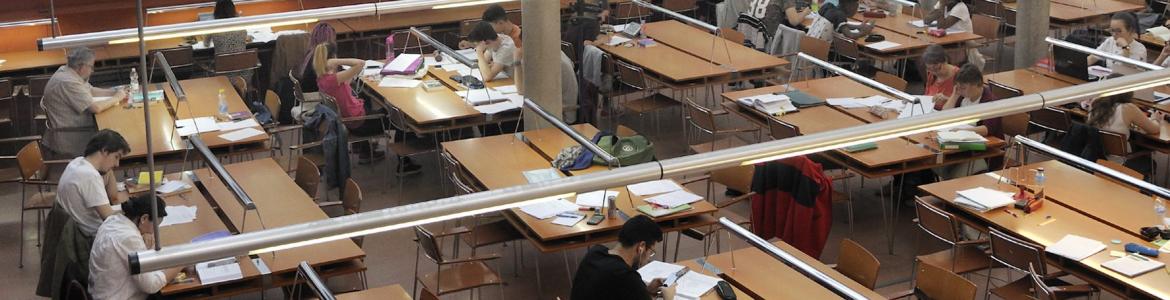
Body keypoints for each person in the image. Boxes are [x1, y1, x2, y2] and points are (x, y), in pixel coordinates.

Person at [311, 43, 423, 173]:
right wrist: (337, 61)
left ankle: (365, 148)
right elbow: (360, 63)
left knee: (374, 101)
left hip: (352, 119)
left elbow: (349, 79)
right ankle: (405, 163)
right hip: (360, 123)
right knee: (400, 119)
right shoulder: (334, 79)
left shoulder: (322, 79)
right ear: (332, 58)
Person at [88, 195, 182, 300]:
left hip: (101, 292)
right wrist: (180, 263)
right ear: (144, 218)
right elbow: (151, 285)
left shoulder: (114, 220)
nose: (153, 232)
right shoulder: (129, 238)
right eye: (155, 225)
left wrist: (143, 239)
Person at [41, 47, 126, 158]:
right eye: (91, 66)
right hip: (73, 136)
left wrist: (114, 92)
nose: (92, 71)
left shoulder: (67, 71)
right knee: (112, 143)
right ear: (81, 66)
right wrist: (117, 98)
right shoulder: (68, 82)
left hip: (78, 128)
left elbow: (90, 90)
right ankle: (103, 172)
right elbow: (95, 108)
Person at [571, 215, 665, 300]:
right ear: (641, 247)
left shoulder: (595, 252)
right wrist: (668, 296)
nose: (648, 258)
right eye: (651, 252)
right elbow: (627, 284)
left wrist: (645, 290)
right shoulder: (627, 276)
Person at [933, 63, 1001, 179]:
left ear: (976, 84)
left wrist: (962, 132)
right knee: (933, 161)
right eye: (958, 87)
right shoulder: (964, 96)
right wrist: (954, 95)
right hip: (962, 145)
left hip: (984, 152)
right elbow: (945, 114)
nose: (960, 90)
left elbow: (987, 129)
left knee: (946, 168)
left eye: (963, 88)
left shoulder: (990, 102)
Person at [58, 129, 130, 237]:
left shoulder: (78, 162)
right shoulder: (89, 176)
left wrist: (107, 168)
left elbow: (113, 197)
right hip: (93, 238)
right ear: (105, 151)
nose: (117, 164)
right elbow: (109, 218)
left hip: (81, 231)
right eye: (116, 157)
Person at [808, 0, 874, 42]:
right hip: (817, 53)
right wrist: (864, 32)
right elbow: (850, 35)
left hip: (806, 45)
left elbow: (842, 25)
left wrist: (859, 26)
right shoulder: (840, 15)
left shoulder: (827, 6)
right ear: (850, 6)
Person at [923, 44, 959, 109]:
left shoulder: (958, 76)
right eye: (929, 69)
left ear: (945, 60)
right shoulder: (932, 74)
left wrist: (947, 100)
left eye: (937, 69)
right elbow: (926, 96)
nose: (934, 73)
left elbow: (964, 104)